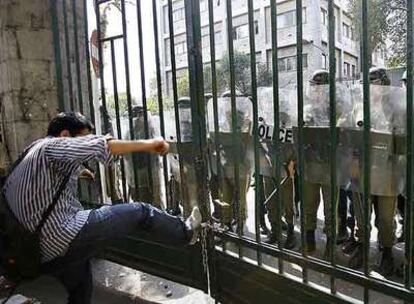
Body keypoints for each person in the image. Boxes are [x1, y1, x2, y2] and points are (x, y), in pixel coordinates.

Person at [3, 112, 202, 304]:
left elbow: (44, 179)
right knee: (141, 212)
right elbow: (102, 145)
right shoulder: (53, 145)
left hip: (32, 249)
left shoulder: (31, 151)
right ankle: (185, 232)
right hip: (59, 236)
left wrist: (81, 172)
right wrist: (151, 144)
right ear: (65, 135)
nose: (84, 142)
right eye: (82, 138)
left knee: (80, 283)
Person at [348, 67, 398, 276]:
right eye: (369, 84)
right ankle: (362, 245)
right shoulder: (359, 107)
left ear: (385, 83)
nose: (372, 88)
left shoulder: (396, 107)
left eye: (376, 83)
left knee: (386, 216)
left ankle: (386, 250)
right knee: (361, 212)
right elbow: (348, 131)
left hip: (387, 168)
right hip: (362, 166)